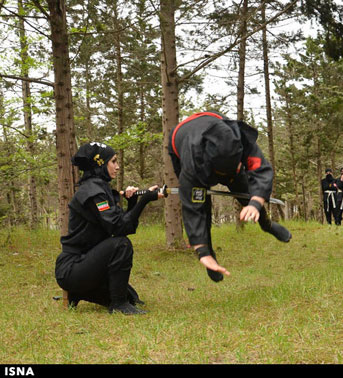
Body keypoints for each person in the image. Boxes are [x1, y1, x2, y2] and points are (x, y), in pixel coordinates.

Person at [168, 111, 291, 282]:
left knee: (247, 192)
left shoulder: (239, 137)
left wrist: (255, 202)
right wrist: (201, 251)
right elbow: (192, 208)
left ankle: (267, 224)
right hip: (183, 145)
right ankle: (209, 253)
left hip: (221, 146)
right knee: (200, 203)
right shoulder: (192, 167)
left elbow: (261, 170)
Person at [55, 142, 162, 315]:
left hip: (83, 263)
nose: (117, 167)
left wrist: (133, 201)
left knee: (131, 296)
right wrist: (144, 201)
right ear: (100, 164)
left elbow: (122, 225)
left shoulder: (98, 188)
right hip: (72, 268)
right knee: (121, 245)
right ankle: (118, 306)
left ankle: (78, 292)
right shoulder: (93, 193)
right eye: (113, 161)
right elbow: (119, 229)